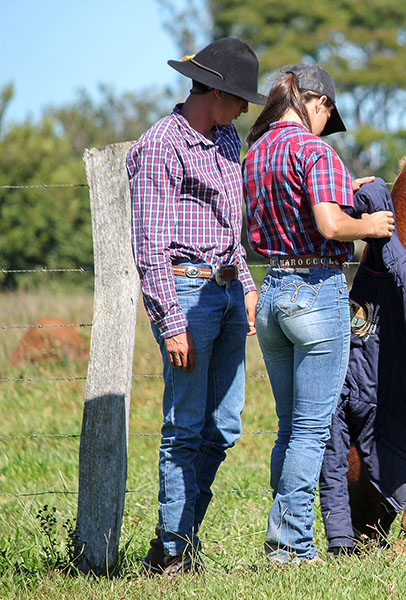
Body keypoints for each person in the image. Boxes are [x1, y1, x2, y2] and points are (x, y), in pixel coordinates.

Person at [242, 64, 394, 564]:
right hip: (316, 291)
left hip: (273, 293)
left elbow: (291, 208)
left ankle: (284, 533)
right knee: (312, 428)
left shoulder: (256, 152)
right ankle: (290, 546)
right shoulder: (315, 150)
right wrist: (368, 223)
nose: (326, 123)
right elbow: (329, 225)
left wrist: (344, 187)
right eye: (327, 113)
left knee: (289, 426)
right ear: (318, 102)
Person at [127, 37, 267, 574]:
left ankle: (179, 539)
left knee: (224, 427)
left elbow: (232, 229)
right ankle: (170, 549)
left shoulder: (228, 140)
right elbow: (150, 245)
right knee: (185, 426)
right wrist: (171, 321)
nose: (243, 108)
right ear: (214, 92)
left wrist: (248, 286)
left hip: (230, 289)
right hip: (186, 291)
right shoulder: (161, 145)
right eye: (239, 98)